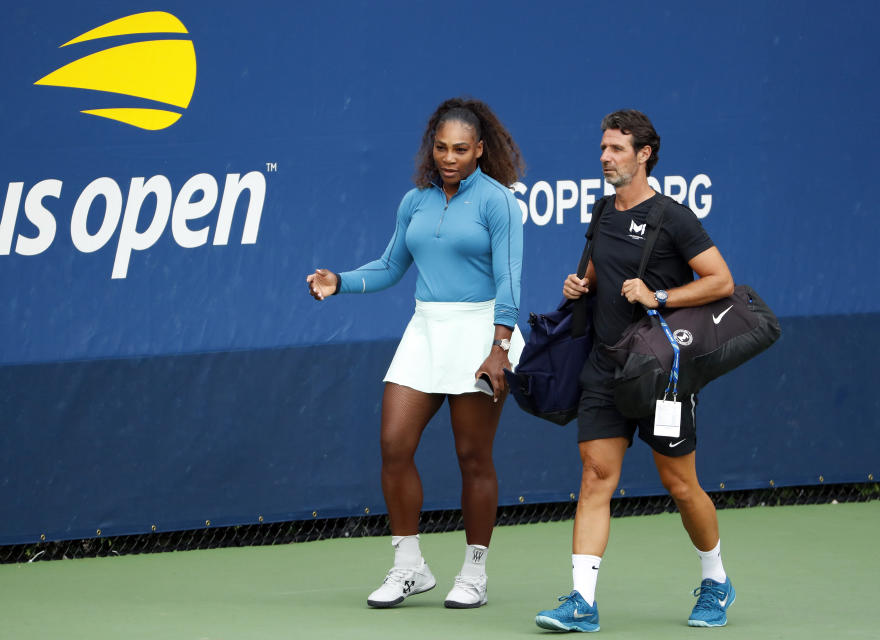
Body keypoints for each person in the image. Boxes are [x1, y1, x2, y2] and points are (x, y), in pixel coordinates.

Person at [306, 97, 525, 609]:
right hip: (425, 329)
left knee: (473, 457)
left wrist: (500, 348)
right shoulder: (415, 202)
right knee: (393, 445)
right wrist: (340, 282)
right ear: (433, 147)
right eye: (442, 148)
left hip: (480, 331)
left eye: (461, 149)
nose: (450, 158)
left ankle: (474, 572)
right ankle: (410, 567)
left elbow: (509, 281)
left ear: (480, 150)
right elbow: (388, 266)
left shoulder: (498, 203)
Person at [534, 110, 736, 632]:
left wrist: (660, 295)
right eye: (603, 148)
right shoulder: (601, 212)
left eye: (617, 149)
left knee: (680, 484)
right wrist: (581, 285)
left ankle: (716, 580)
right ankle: (581, 601)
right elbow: (603, 272)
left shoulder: (673, 217)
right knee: (596, 476)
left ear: (644, 154)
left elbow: (721, 282)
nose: (606, 157)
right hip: (604, 367)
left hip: (660, 374)